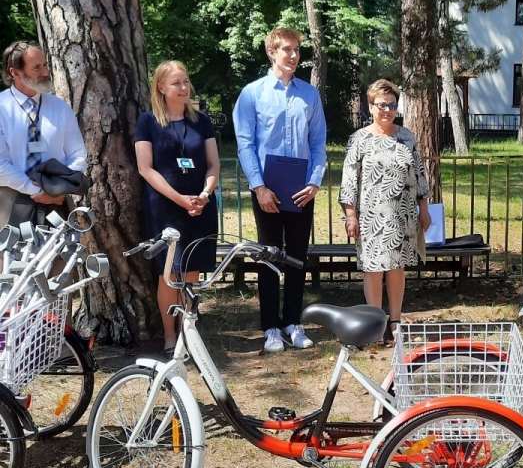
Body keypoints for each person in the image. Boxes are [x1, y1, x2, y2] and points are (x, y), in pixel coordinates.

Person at [234, 28, 326, 353]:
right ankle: (271, 326)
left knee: (297, 258)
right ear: (272, 52)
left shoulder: (309, 95)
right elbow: (245, 144)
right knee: (269, 259)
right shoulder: (252, 94)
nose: (293, 55)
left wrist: (315, 181)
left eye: (297, 50)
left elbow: (317, 144)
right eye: (286, 49)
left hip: (301, 190)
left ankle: (293, 322)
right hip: (267, 192)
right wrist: (258, 187)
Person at [136, 61, 220, 352]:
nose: (184, 88)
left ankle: (188, 331)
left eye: (185, 82)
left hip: (200, 205)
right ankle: (170, 334)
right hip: (166, 207)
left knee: (192, 272)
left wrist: (205, 194)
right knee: (170, 274)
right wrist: (179, 199)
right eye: (176, 83)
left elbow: (213, 164)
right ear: (160, 87)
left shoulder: (201, 121)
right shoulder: (148, 121)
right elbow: (146, 169)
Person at [339, 78, 430, 343]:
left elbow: (419, 176)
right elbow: (349, 180)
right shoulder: (359, 140)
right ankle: (375, 322)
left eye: (392, 105)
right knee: (373, 269)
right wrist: (350, 215)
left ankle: (396, 320)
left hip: (401, 215)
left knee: (397, 268)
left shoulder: (407, 137)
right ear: (370, 106)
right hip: (369, 216)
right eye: (381, 105)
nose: (387, 110)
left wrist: (423, 208)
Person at [0, 40, 88, 227]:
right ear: (15, 73)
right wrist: (38, 190)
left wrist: (59, 189)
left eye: (45, 65)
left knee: (61, 256)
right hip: (10, 201)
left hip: (57, 202)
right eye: (36, 68)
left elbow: (78, 155)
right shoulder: (1, 108)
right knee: (11, 256)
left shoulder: (60, 107)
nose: (45, 73)